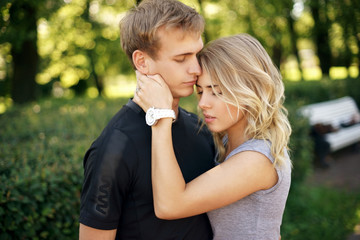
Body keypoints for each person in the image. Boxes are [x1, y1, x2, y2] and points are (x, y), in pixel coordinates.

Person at [79, 0, 215, 239]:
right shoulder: (113, 148)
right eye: (181, 58)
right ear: (142, 62)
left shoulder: (201, 127)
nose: (196, 68)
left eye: (197, 54)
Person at [135, 33, 292, 240]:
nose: (203, 104)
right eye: (200, 91)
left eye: (216, 92)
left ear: (249, 89)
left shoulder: (257, 159)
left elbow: (169, 206)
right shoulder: (228, 143)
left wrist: (160, 116)